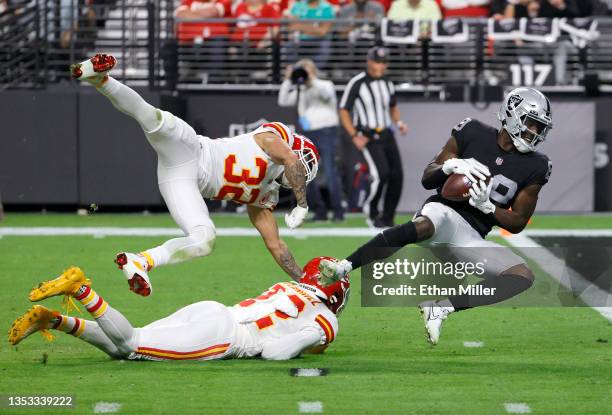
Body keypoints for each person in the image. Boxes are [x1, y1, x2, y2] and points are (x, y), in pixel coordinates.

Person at [70, 54, 319, 296]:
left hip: (182, 180)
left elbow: (276, 246)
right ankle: (100, 78)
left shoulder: (266, 197)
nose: (303, 170)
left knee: (204, 240)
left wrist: (306, 282)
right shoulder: (273, 139)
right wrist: (302, 204)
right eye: (305, 160)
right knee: (153, 118)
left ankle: (141, 262)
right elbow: (290, 159)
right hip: (192, 150)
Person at [320, 87, 553, 345]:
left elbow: (518, 221)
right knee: (425, 225)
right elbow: (427, 179)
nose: (536, 133)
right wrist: (448, 167)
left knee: (522, 276)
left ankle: (441, 308)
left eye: (540, 127)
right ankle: (345, 266)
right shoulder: (472, 131)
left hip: (471, 236)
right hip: (442, 211)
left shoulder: (537, 166)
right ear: (512, 115)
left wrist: (489, 207)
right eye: (532, 124)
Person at [8, 258, 350, 361]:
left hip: (212, 311)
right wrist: (310, 338)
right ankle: (81, 289)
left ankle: (55, 320)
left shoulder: (289, 286)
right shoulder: (325, 316)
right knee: (131, 345)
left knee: (124, 348)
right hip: (226, 336)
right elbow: (275, 353)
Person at [339, 46, 409, 228]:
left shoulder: (387, 82)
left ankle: (388, 217)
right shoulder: (358, 82)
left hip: (387, 133)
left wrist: (399, 122)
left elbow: (393, 106)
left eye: (384, 62)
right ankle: (372, 213)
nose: (380, 65)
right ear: (369, 61)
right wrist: (354, 134)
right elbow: (344, 109)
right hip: (368, 135)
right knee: (381, 174)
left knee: (397, 176)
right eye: (377, 61)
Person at [278, 59, 345, 221]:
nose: (303, 72)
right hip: (308, 134)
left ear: (313, 71)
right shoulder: (301, 90)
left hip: (326, 131)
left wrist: (311, 79)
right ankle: (320, 211)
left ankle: (338, 212)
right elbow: (283, 101)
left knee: (330, 172)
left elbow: (327, 97)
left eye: (305, 69)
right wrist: (288, 79)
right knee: (307, 174)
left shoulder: (324, 84)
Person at [287, 0, 336, 68]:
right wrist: (315, 28)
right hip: (300, 40)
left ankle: (315, 74)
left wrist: (301, 26)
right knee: (288, 47)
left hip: (319, 40)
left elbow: (323, 31)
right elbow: (293, 27)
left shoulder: (327, 7)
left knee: (325, 48)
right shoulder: (298, 5)